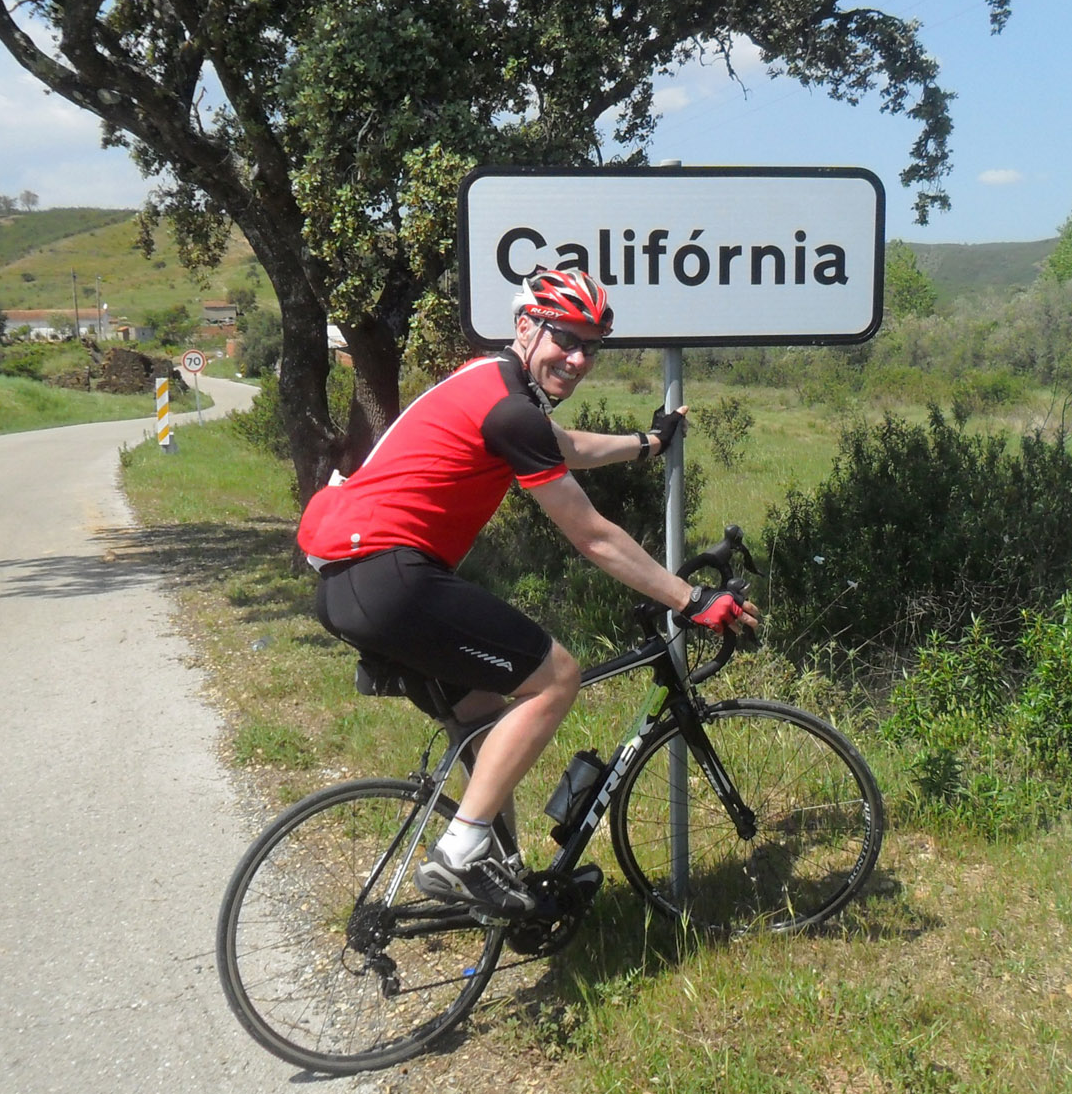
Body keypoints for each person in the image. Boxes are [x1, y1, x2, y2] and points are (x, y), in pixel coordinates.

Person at [298, 267, 758, 916]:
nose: (578, 358)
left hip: (347, 585)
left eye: (590, 347)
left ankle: (498, 885)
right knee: (557, 678)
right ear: (524, 327)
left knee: (484, 719)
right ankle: (461, 853)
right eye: (564, 338)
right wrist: (690, 598)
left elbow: (564, 446)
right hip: (391, 577)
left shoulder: (489, 382)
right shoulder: (511, 409)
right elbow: (592, 536)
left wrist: (648, 443)